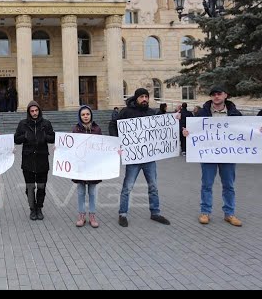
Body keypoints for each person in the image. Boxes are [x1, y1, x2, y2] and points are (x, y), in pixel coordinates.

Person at [182, 86, 244, 226]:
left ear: (225, 95)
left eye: (219, 94)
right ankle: (205, 212)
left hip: (228, 155)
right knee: (207, 185)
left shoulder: (235, 113)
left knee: (228, 185)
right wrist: (187, 133)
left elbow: (245, 131)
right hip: (208, 155)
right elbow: (192, 131)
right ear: (211, 97)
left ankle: (229, 213)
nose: (216, 96)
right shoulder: (202, 113)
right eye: (213, 94)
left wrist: (257, 130)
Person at [108, 88, 171, 227]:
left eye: (146, 97)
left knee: (153, 186)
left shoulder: (151, 112)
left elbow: (161, 129)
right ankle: (122, 213)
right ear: (136, 98)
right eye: (141, 96)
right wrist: (116, 141)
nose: (144, 99)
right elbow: (113, 124)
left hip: (149, 157)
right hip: (133, 158)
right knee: (128, 187)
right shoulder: (126, 112)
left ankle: (155, 212)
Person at [14, 100, 55, 220]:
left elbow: (53, 138)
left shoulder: (46, 123)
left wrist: (44, 136)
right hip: (28, 161)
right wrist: (25, 136)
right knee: (30, 187)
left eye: (36, 110)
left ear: (39, 111)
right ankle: (32, 209)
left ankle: (39, 208)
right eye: (32, 111)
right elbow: (16, 139)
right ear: (28, 112)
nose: (34, 113)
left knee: (41, 187)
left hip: (42, 160)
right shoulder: (23, 124)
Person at [72, 105, 102, 228]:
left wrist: (114, 152)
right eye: (83, 114)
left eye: (87, 114)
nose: (85, 116)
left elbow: (103, 146)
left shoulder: (97, 129)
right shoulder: (75, 129)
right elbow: (71, 146)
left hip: (93, 166)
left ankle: (92, 215)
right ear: (80, 116)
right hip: (80, 166)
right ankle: (81, 215)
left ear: (91, 115)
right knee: (80, 192)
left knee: (92, 192)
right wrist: (60, 149)